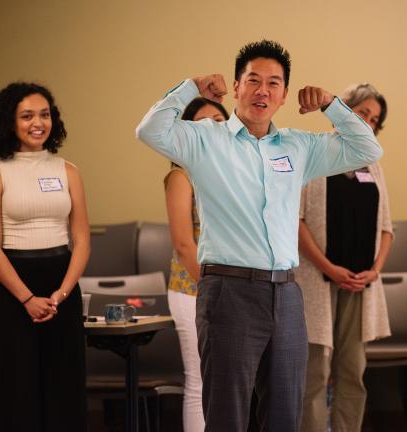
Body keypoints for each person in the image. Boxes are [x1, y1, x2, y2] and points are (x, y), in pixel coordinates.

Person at [136, 39, 382, 431]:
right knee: (228, 417)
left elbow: (367, 149)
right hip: (229, 293)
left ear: (284, 95)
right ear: (236, 87)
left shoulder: (299, 146)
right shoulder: (205, 139)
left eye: (273, 83)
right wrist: (191, 87)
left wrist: (332, 104)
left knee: (285, 415)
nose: (262, 90)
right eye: (253, 80)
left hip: (286, 294)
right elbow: (149, 131)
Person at [0, 82, 89, 431]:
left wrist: (62, 293)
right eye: (26, 116)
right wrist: (27, 298)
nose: (37, 122)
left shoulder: (68, 170)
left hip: (62, 289)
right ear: (9, 123)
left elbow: (82, 238)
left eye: (44, 114)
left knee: (63, 387)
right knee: (16, 391)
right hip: (14, 292)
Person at [295, 83, 393, 432]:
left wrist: (375, 271)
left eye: (375, 119)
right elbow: (297, 221)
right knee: (316, 373)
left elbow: (386, 227)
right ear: (344, 110)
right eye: (363, 113)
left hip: (360, 286)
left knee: (352, 370)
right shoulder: (315, 153)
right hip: (318, 281)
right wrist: (330, 268)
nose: (368, 122)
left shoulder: (373, 162)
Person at [164, 97, 229, 431]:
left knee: (229, 385)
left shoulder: (234, 169)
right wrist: (211, 288)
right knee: (200, 379)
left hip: (232, 288)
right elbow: (183, 243)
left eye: (219, 120)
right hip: (194, 289)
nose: (213, 128)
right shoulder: (181, 175)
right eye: (203, 122)